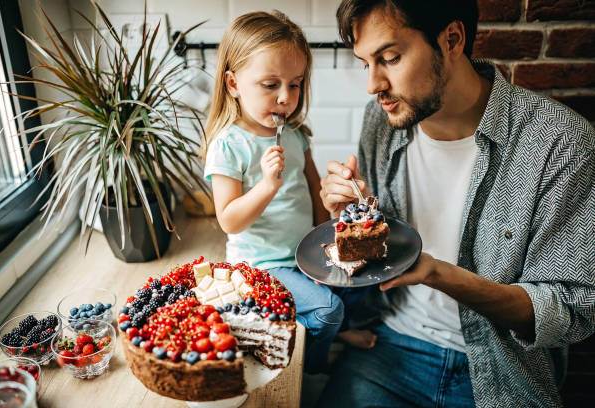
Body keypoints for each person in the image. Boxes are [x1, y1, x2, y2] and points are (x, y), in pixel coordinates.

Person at [317, 0, 595, 407]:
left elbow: (572, 309)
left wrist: (439, 274)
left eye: (390, 58)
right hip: (389, 345)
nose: (373, 84)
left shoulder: (561, 142)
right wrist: (345, 216)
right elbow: (373, 248)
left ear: (451, 39)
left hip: (502, 371)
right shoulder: (381, 121)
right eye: (365, 63)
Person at [202, 11, 376, 374]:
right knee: (329, 309)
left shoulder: (295, 135)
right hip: (260, 265)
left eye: (295, 84)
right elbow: (229, 221)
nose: (285, 97)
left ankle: (333, 330)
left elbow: (313, 190)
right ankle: (309, 367)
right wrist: (267, 186)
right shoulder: (229, 145)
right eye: (270, 85)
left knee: (365, 277)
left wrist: (325, 244)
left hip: (302, 254)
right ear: (233, 84)